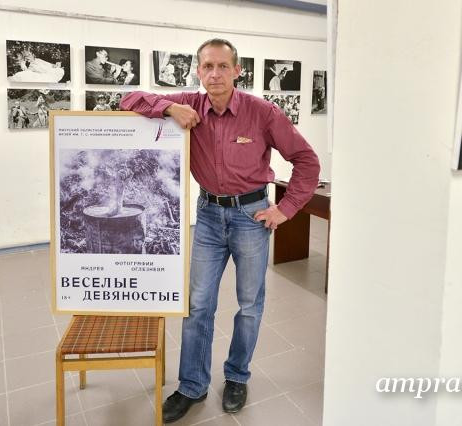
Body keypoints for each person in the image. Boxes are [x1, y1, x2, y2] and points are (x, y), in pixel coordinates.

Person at [121, 38, 319, 423]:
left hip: (251, 216)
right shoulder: (189, 104)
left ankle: (237, 376)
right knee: (198, 305)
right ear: (198, 71)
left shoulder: (263, 113)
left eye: (223, 66)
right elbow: (128, 99)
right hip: (209, 216)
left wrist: (285, 209)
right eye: (208, 66)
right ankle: (192, 385)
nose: (215, 74)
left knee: (249, 305)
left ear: (237, 71)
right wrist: (169, 107)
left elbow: (306, 160)